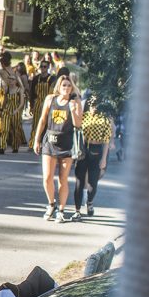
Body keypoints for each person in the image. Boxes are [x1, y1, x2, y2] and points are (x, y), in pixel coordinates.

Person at [32, 76, 84, 223]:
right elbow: (42, 120)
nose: (66, 88)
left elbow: (78, 124)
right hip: (50, 141)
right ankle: (51, 204)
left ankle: (61, 210)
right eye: (63, 85)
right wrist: (36, 139)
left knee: (63, 179)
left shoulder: (75, 102)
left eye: (68, 86)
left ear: (72, 88)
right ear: (59, 87)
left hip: (67, 144)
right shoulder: (50, 99)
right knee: (47, 177)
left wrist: (74, 110)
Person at [72, 97, 115, 220]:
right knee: (79, 182)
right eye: (91, 104)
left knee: (92, 183)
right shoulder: (83, 116)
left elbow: (106, 141)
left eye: (97, 104)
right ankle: (77, 210)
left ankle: (89, 202)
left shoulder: (104, 119)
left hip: (96, 151)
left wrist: (104, 159)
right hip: (82, 150)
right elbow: (76, 129)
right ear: (87, 104)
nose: (94, 107)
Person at [0, 51, 26, 154]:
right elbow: (22, 86)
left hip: (7, 95)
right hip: (15, 96)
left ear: (3, 63)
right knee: (14, 125)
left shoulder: (3, 72)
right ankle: (8, 144)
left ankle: (6, 142)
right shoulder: (14, 71)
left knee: (4, 122)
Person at [29, 60, 56, 146]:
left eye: (45, 67)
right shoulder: (36, 79)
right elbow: (32, 93)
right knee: (35, 123)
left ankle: (45, 143)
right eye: (41, 66)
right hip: (37, 103)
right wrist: (31, 105)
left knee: (47, 123)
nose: (43, 68)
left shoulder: (52, 79)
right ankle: (33, 142)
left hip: (48, 103)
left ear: (48, 68)